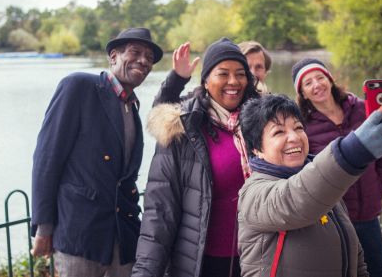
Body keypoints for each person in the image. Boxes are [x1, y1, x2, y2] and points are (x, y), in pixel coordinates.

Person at [30, 27, 163, 277]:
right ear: (113, 56)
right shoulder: (79, 86)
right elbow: (47, 159)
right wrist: (44, 227)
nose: (144, 61)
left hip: (122, 239)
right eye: (135, 52)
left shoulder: (132, 108)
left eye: (149, 57)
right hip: (79, 237)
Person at [132, 37, 259, 277]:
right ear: (206, 80)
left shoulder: (264, 123)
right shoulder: (182, 128)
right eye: (223, 73)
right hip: (203, 263)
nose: (233, 81)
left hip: (261, 258)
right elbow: (159, 211)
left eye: (240, 73)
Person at [237, 94, 382, 277]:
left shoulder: (325, 188)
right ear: (257, 149)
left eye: (298, 127)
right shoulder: (253, 194)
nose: (294, 137)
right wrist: (352, 152)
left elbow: (354, 255)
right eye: (279, 132)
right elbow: (296, 199)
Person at [291, 58, 382, 277]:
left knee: (379, 270)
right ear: (303, 93)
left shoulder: (361, 108)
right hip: (335, 214)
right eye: (308, 83)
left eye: (320, 77)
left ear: (330, 79)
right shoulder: (303, 126)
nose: (316, 85)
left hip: (368, 210)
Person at [163, 40, 272, 96]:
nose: (252, 73)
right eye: (247, 68)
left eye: (259, 67)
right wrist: (178, 78)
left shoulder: (273, 109)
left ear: (266, 73)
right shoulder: (195, 108)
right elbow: (163, 113)